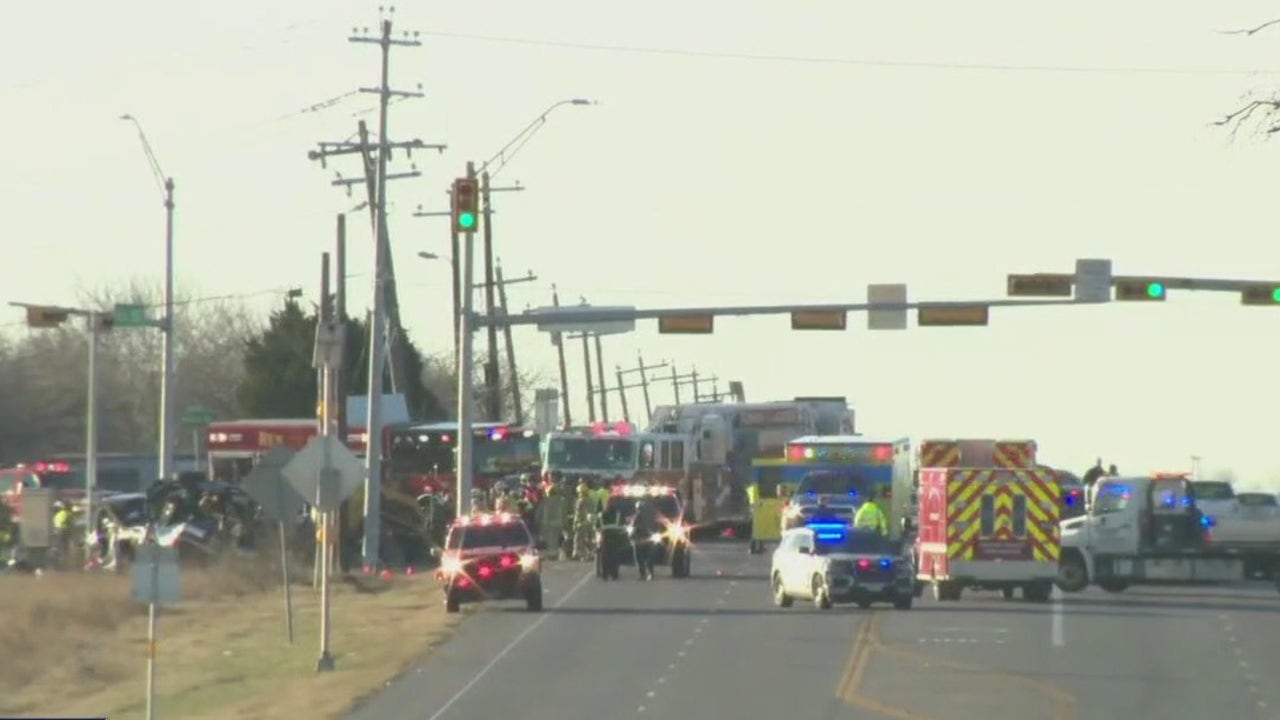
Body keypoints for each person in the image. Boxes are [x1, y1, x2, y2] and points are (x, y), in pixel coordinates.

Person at [629, 499, 661, 580]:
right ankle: (650, 573)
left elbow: (634, 527)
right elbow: (657, 526)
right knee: (650, 557)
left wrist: (632, 537)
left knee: (640, 558)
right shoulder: (653, 515)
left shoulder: (638, 515)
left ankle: (643, 574)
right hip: (650, 540)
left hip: (640, 540)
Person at [572, 483, 596, 561]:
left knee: (579, 539)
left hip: (582, 523)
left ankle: (580, 554)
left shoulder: (580, 501)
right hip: (591, 522)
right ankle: (591, 554)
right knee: (590, 539)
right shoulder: (591, 501)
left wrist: (575, 523)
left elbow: (578, 514)